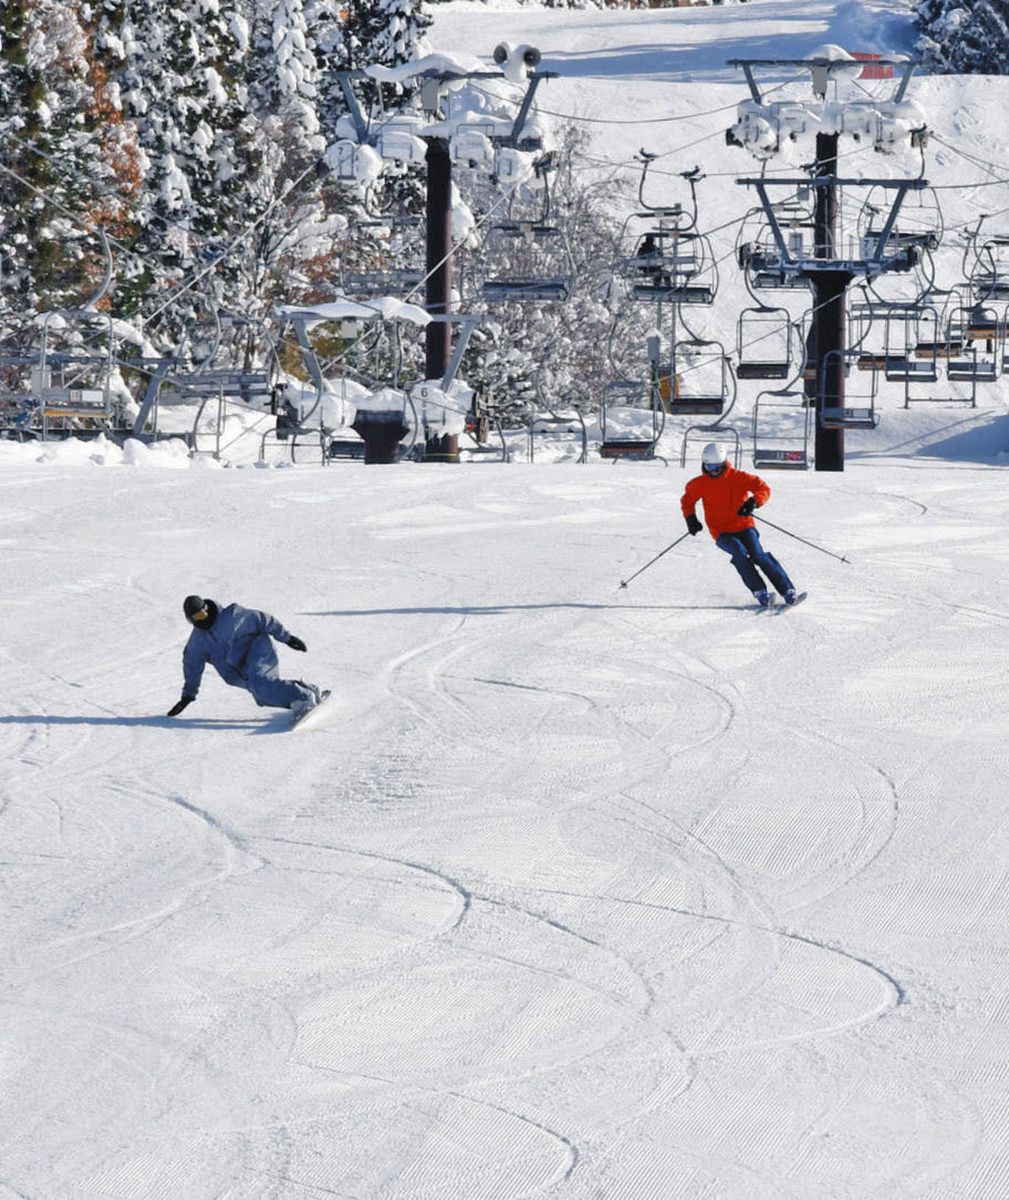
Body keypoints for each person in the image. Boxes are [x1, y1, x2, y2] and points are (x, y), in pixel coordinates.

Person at [681, 442, 800, 607]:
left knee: (758, 555)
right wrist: (691, 519)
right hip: (721, 531)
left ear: (724, 463)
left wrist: (754, 502)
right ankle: (759, 591)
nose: (713, 471)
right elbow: (687, 500)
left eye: (717, 467)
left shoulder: (738, 477)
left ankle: (787, 590)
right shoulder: (699, 483)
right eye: (709, 467)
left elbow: (762, 488)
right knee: (739, 554)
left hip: (744, 526)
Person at [166, 595, 324, 719]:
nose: (201, 620)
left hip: (257, 650)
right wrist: (188, 696)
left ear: (207, 609)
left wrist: (287, 638)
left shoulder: (232, 616)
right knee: (262, 695)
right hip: (239, 672)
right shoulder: (197, 643)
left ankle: (304, 698)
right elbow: (192, 667)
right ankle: (307, 690)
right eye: (195, 618)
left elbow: (263, 619)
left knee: (261, 685)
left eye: (201, 614)